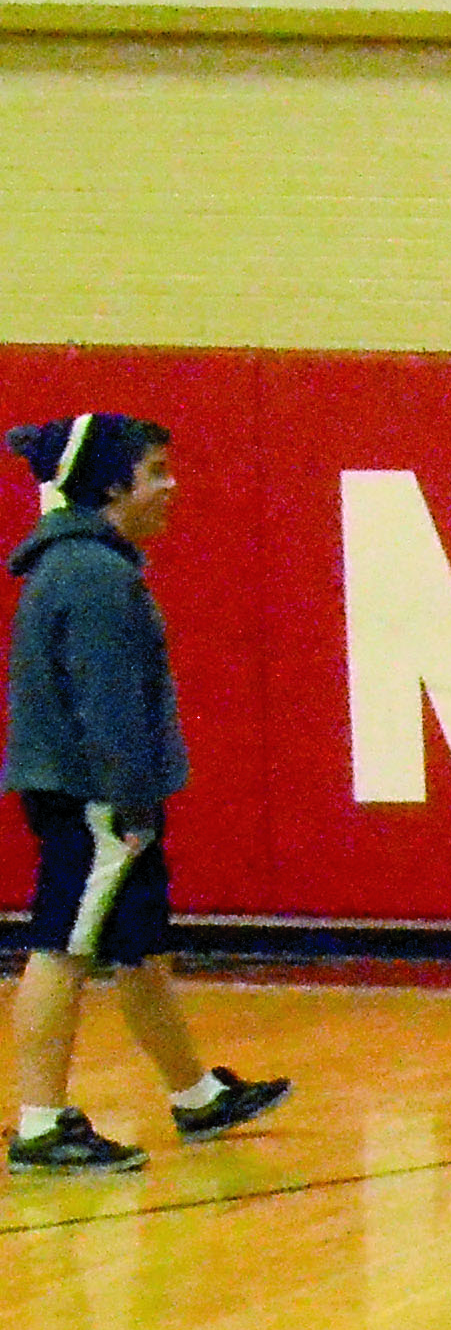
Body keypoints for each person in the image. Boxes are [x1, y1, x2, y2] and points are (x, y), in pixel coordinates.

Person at [9, 415, 290, 1174]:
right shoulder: (94, 575)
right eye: (157, 471)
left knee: (139, 951)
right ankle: (38, 1127)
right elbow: (108, 706)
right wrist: (129, 804)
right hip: (97, 797)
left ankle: (195, 1096)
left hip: (97, 792)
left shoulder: (76, 564)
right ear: (112, 484)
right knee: (62, 948)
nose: (172, 486)